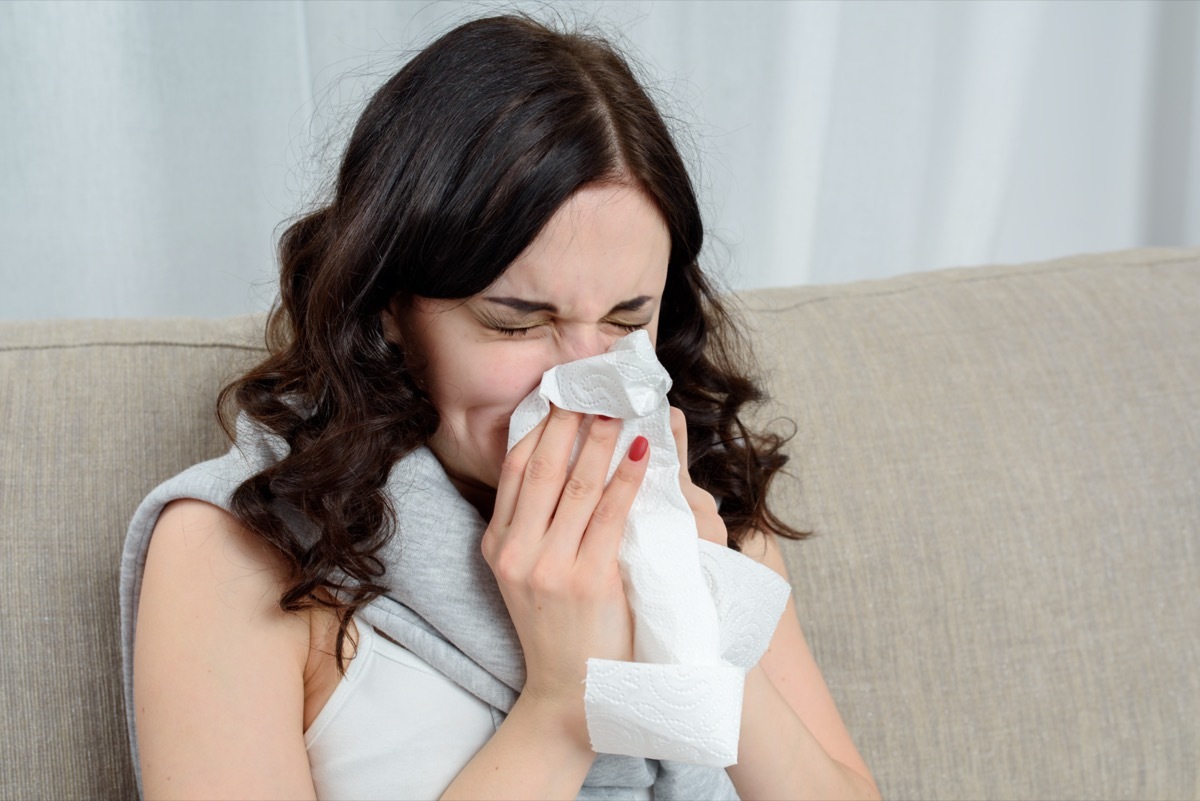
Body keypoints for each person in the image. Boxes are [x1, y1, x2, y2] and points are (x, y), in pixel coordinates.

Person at [124, 13, 880, 801]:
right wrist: (563, 702)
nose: (591, 379)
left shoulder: (709, 515)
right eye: (517, 321)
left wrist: (700, 616)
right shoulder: (242, 551)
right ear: (389, 306)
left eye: (627, 321)